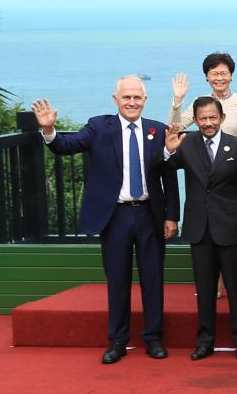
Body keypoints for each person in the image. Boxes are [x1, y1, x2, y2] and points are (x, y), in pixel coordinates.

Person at [32, 77, 179, 364]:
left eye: (137, 97)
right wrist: (49, 129)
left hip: (150, 214)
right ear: (115, 99)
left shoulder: (158, 130)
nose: (132, 102)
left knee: (153, 279)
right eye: (127, 97)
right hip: (116, 216)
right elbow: (66, 145)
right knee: (118, 280)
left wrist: (172, 215)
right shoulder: (99, 127)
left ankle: (153, 338)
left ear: (145, 99)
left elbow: (168, 176)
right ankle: (118, 341)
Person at [162, 96, 237, 360]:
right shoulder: (187, 143)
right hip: (199, 229)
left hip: (232, 229)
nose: (208, 123)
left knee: (236, 288)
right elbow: (168, 165)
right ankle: (205, 341)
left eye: (212, 118)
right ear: (195, 120)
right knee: (204, 290)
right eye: (202, 119)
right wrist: (169, 151)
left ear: (222, 119)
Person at [167, 52, 237, 135]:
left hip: (235, 152)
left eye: (224, 73)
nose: (219, 78)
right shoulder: (199, 102)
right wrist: (178, 98)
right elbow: (174, 129)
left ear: (231, 76)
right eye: (214, 74)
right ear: (207, 77)